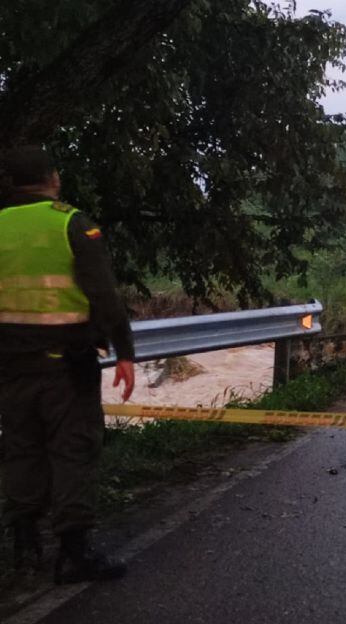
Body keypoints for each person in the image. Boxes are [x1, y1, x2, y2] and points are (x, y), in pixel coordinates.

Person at [0, 146, 136, 584]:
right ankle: (73, 552)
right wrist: (125, 351)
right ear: (52, 178)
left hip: (11, 367)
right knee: (72, 451)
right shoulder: (71, 223)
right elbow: (105, 297)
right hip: (66, 367)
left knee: (21, 449)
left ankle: (24, 546)